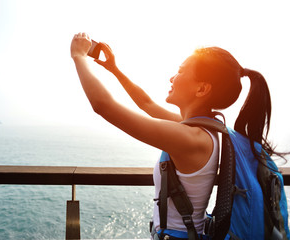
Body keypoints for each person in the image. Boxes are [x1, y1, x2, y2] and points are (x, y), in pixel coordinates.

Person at [70, 32, 278, 239]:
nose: (172, 77)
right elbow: (146, 104)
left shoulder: (190, 139)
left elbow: (104, 106)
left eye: (180, 71)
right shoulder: (203, 129)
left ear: (202, 88)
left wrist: (78, 56)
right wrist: (114, 70)